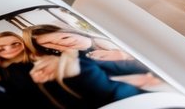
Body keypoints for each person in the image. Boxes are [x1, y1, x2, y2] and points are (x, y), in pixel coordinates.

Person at [23, 25, 164, 90]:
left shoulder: (105, 34)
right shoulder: (87, 61)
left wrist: (124, 55)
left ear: (71, 31)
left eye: (65, 37)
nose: (64, 44)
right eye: (53, 46)